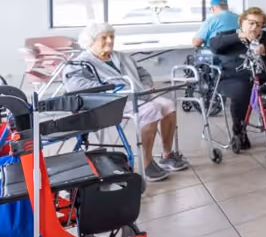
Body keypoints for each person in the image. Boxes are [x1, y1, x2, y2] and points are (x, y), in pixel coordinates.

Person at [65, 22, 189, 183]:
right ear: (91, 41)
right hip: (111, 101)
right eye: (104, 38)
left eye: (111, 37)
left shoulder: (122, 56)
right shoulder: (80, 62)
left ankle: (167, 155)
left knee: (169, 105)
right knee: (150, 109)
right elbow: (75, 85)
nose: (110, 41)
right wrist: (111, 88)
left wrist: (145, 86)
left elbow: (143, 73)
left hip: (137, 95)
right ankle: (147, 163)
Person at [210, 6, 266, 146]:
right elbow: (214, 46)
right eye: (251, 23)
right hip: (235, 77)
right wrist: (239, 36)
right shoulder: (228, 35)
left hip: (263, 76)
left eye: (259, 25)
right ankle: (239, 131)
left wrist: (265, 50)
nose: (255, 28)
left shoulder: (265, 37)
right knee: (242, 90)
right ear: (242, 21)